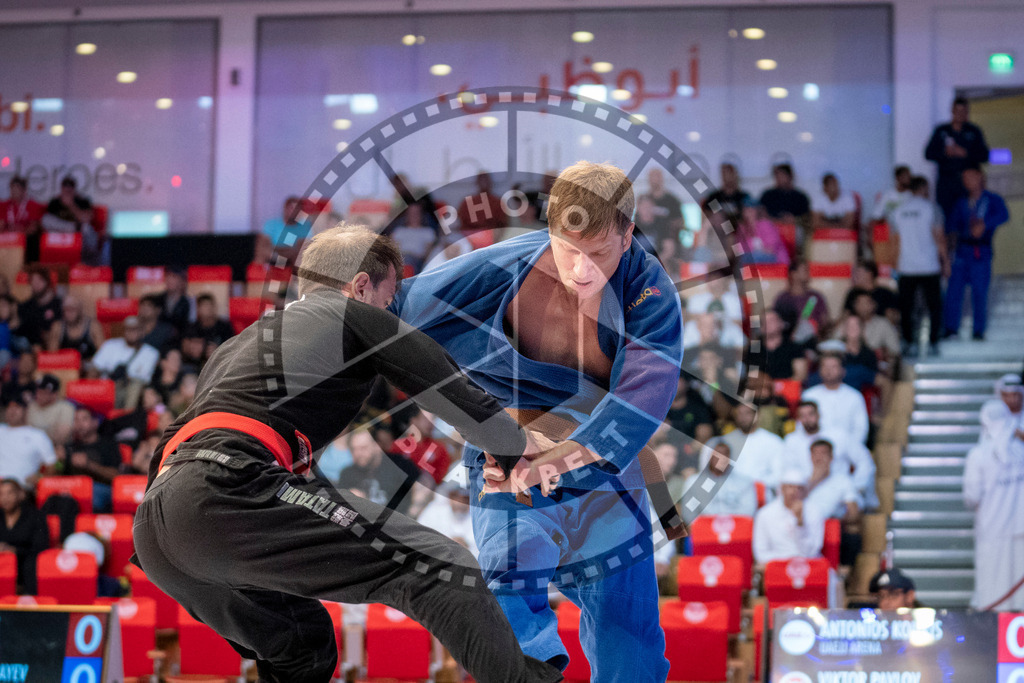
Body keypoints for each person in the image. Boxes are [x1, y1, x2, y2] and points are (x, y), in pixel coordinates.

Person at [131, 225, 563, 683]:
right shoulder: (346, 311)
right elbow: (440, 382)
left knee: (302, 644)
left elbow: (195, 440)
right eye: (388, 300)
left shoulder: (238, 346)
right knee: (442, 568)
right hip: (226, 493)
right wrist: (514, 447)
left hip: (159, 530)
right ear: (360, 286)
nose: (390, 312)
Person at [389, 161, 682, 680]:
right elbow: (391, 311)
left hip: (604, 471)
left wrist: (557, 462)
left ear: (628, 234)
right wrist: (326, 318)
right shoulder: (503, 267)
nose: (583, 270)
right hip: (510, 447)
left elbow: (636, 409)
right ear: (549, 230)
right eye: (570, 250)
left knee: (629, 644)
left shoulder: (651, 299)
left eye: (600, 253)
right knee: (510, 572)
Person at [963, 375, 1024, 611]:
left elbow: (971, 497)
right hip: (1019, 528)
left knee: (992, 586)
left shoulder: (978, 455)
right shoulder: (1021, 452)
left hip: (992, 529)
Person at [942, 165, 1010, 341]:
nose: (967, 181)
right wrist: (948, 254)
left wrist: (985, 224)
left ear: (980, 176)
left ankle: (979, 330)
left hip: (981, 252)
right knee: (954, 291)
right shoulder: (962, 202)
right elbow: (951, 226)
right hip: (962, 251)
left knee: (980, 292)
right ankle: (951, 329)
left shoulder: (992, 199)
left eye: (970, 176)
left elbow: (1004, 215)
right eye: (964, 178)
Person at [887, 176, 948, 356]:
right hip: (929, 266)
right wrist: (946, 263)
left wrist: (894, 267)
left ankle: (909, 343)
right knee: (934, 307)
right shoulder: (932, 208)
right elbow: (940, 239)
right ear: (922, 188)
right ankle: (933, 344)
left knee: (907, 308)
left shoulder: (897, 211)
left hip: (906, 267)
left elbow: (894, 243)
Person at [781, 401, 876, 508]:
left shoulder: (839, 435)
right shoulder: (792, 441)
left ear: (818, 414)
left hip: (839, 493)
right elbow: (787, 471)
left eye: (811, 414)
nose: (807, 419)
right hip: (807, 493)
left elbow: (864, 461)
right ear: (798, 419)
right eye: (803, 416)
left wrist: (855, 486)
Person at [337, 428, 431, 518]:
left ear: (377, 446)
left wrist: (411, 514)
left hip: (402, 520)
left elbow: (425, 484)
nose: (358, 453)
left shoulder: (398, 464)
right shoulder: (347, 473)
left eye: (363, 448)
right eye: (354, 449)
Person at [924, 97, 990, 224]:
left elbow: (985, 156)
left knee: (968, 219)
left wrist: (966, 153)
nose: (960, 114)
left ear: (967, 112)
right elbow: (928, 154)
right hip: (946, 182)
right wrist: (945, 153)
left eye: (963, 111)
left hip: (968, 184)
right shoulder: (941, 130)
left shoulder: (974, 131)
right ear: (952, 111)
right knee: (946, 219)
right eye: (957, 111)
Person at [752, 468, 824, 564]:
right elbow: (761, 554)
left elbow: (812, 552)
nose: (795, 492)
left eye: (799, 488)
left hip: (808, 566)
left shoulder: (814, 512)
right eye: (790, 487)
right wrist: (787, 562)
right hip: (777, 567)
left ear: (805, 492)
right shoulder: (765, 514)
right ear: (782, 489)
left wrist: (800, 523)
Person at [64, 407, 122, 513]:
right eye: (76, 420)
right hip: (72, 489)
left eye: (84, 419)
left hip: (100, 489)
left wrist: (89, 465)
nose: (79, 424)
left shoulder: (108, 444)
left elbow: (116, 476)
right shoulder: (69, 447)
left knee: (90, 494)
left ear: (95, 423)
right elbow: (59, 474)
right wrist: (58, 461)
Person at [716, 402, 785, 491]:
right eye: (740, 413)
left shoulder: (774, 442)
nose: (743, 418)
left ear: (757, 415)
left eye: (747, 413)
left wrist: (755, 486)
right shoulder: (726, 441)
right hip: (731, 492)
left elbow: (779, 475)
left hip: (763, 493)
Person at [802, 354, 870, 444]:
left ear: (843, 371)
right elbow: (802, 426)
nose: (828, 370)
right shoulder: (809, 395)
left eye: (833, 367)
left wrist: (850, 449)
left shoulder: (854, 396)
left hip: (847, 450)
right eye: (825, 366)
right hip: (815, 450)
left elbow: (860, 429)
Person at [0, 478, 49, 594]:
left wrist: (14, 550)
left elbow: (41, 547)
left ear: (20, 494)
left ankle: (29, 601)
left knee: (31, 562)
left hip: (26, 566)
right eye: (1, 494)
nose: (5, 498)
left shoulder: (35, 516)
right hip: (3, 565)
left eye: (10, 493)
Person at [684, 442, 758, 517]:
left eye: (726, 454)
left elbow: (748, 512)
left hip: (736, 526)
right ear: (709, 456)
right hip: (703, 526)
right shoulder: (693, 481)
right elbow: (689, 513)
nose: (722, 458)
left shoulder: (744, 482)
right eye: (718, 453)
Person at [0, 396, 58, 489]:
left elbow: (53, 465)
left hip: (23, 489)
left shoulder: (37, 435)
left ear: (25, 411)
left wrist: (40, 479)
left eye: (17, 408)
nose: (12, 411)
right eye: (9, 407)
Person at [391, 408, 452, 486]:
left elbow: (440, 478)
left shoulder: (440, 449)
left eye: (432, 419)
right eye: (425, 419)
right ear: (414, 420)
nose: (431, 423)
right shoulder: (397, 446)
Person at [773, 259, 830, 342]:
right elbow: (775, 322)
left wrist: (817, 328)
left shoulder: (815, 297)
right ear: (794, 274)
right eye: (804, 270)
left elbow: (825, 322)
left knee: (806, 326)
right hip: (787, 342)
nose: (808, 273)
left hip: (811, 341)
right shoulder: (783, 298)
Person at [636, 168, 683, 261]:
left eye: (657, 177)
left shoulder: (672, 200)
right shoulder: (644, 198)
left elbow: (680, 221)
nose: (654, 180)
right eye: (652, 177)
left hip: (666, 240)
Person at [16, 265, 62, 348]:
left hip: (56, 346)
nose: (36, 283)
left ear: (48, 281)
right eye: (33, 280)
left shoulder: (59, 305)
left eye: (40, 280)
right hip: (31, 348)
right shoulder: (24, 307)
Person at [26, 374, 75, 447]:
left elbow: (61, 438)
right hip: (29, 446)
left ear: (55, 394)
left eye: (43, 393)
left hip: (54, 448)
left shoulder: (66, 407)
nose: (38, 395)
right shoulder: (32, 406)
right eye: (38, 391)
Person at [759, 163, 811, 231]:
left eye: (782, 175)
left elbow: (807, 218)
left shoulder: (800, 197)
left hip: (793, 231)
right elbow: (760, 214)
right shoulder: (767, 195)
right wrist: (775, 220)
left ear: (790, 176)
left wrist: (795, 220)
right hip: (772, 231)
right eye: (777, 176)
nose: (779, 178)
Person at [701, 162, 751, 231]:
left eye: (730, 174)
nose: (727, 177)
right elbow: (707, 214)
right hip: (720, 233)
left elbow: (749, 217)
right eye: (724, 174)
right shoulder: (715, 197)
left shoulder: (743, 197)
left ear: (735, 175)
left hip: (739, 233)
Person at [53, 295, 104, 361]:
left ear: (80, 309)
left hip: (89, 367)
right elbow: (52, 356)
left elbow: (103, 353)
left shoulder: (93, 326)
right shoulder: (58, 327)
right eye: (66, 309)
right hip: (65, 367)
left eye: (72, 309)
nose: (69, 313)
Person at [261, 196, 306, 265]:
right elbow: (264, 245)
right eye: (291, 208)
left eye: (297, 208)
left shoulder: (304, 227)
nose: (294, 211)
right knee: (261, 246)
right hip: (273, 256)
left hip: (292, 260)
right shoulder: (271, 224)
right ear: (285, 209)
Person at [156, 266, 195, 334]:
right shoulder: (158, 299)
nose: (169, 279)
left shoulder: (189, 301)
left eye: (174, 276)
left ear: (182, 280)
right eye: (167, 276)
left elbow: (191, 323)